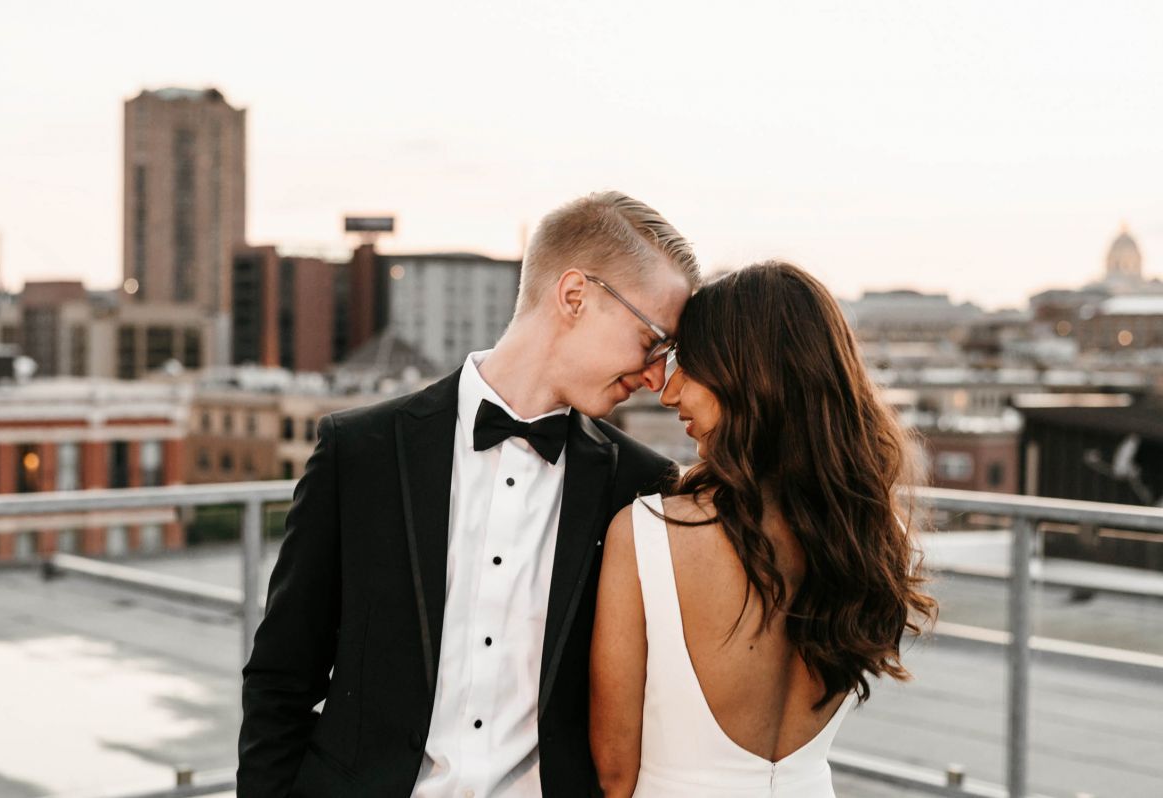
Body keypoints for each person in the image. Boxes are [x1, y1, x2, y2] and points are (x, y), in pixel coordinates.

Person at [237, 191, 700, 797]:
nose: (657, 375)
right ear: (574, 296)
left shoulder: (640, 485)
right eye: (653, 340)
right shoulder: (359, 450)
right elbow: (281, 679)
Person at [590, 261, 937, 797]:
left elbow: (614, 774)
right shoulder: (874, 534)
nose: (669, 392)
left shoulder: (648, 535)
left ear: (748, 377)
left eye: (689, 364)